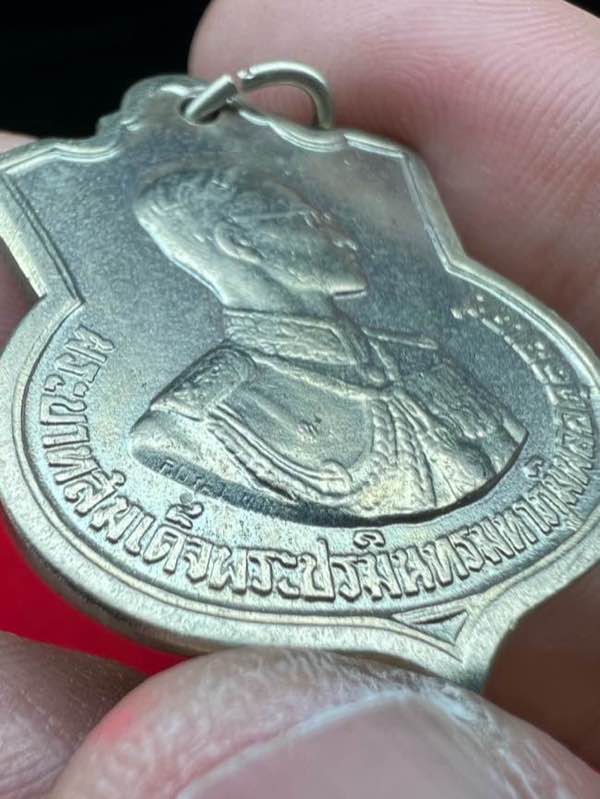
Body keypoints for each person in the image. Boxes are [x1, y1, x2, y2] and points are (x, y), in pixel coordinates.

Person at [0, 0, 600, 796]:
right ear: (238, 243)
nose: (338, 224)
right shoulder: (191, 424)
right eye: (301, 212)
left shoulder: (431, 365)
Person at [132, 164, 525, 522]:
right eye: (312, 220)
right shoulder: (189, 422)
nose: (346, 238)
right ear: (239, 242)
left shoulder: (419, 358)